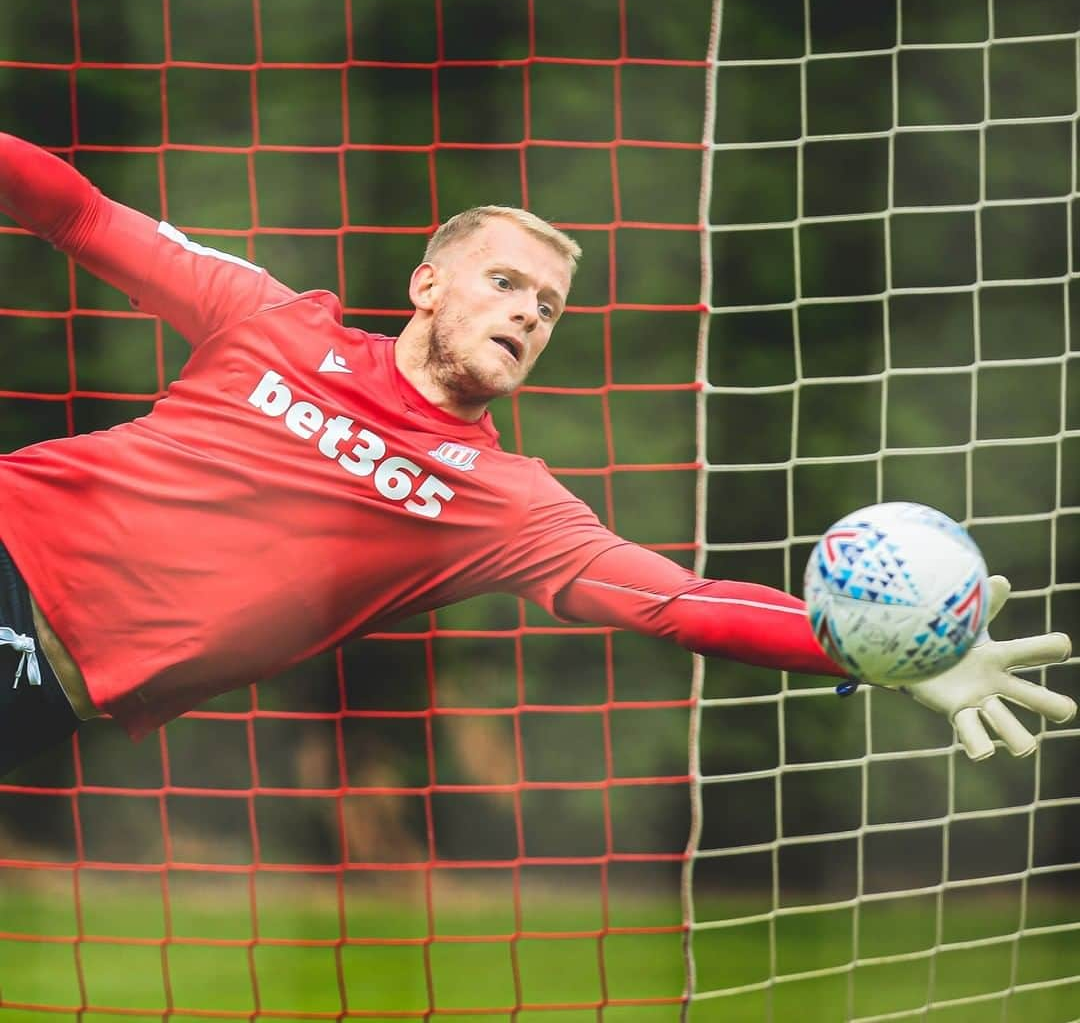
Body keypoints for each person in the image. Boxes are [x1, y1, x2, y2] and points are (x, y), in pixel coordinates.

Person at [0, 131, 1074, 778]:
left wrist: (876, 650)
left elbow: (680, 604)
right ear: (427, 284)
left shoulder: (507, 505)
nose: (527, 313)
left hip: (46, 679)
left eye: (548, 306)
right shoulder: (274, 321)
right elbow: (81, 215)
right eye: (505, 283)